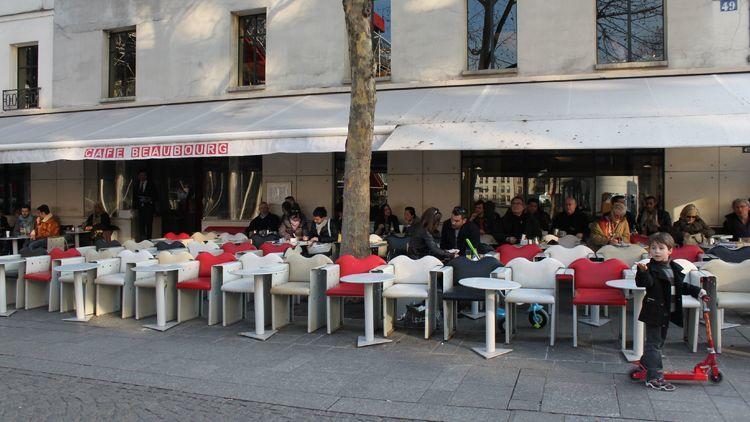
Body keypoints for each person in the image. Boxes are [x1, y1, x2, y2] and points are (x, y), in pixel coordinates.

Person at [635, 232, 705, 391]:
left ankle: (645, 365)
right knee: (654, 344)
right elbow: (645, 283)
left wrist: (698, 291)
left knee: (657, 342)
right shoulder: (650, 268)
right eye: (653, 248)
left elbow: (681, 287)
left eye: (661, 248)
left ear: (670, 251)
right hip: (654, 312)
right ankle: (654, 377)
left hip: (667, 312)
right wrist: (642, 272)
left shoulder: (673, 267)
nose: (657, 251)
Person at [134, 170, 157, 241]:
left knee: (148, 224)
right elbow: (134, 196)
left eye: (143, 175)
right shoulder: (137, 184)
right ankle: (142, 240)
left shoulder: (151, 184)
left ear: (146, 176)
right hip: (140, 208)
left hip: (149, 208)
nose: (142, 177)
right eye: (140, 175)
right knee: (141, 225)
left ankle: (149, 240)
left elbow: (156, 196)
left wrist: (149, 200)